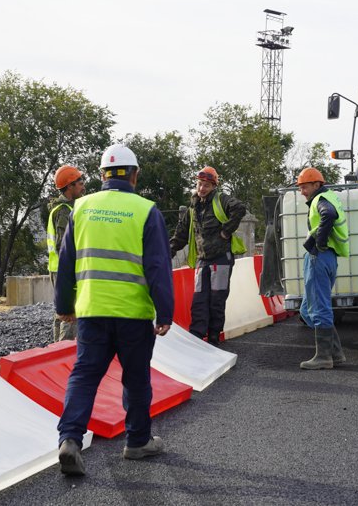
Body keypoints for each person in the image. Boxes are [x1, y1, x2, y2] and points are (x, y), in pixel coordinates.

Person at [53, 144, 174, 476]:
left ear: (102, 175)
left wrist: (63, 305)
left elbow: (66, 264)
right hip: (133, 314)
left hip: (92, 311)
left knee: (84, 375)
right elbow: (158, 267)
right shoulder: (146, 210)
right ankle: (137, 442)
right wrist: (165, 313)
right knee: (135, 378)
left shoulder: (82, 208)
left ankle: (70, 440)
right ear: (134, 175)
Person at [169, 166, 246, 347]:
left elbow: (240, 208)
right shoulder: (192, 209)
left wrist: (226, 232)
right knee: (199, 300)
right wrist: (167, 254)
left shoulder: (221, 200)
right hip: (203, 260)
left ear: (213, 187)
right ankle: (197, 337)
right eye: (200, 184)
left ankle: (213, 338)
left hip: (221, 259)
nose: (202, 188)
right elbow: (180, 236)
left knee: (216, 300)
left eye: (207, 185)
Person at [296, 167, 349, 370]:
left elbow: (329, 215)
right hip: (327, 258)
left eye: (305, 187)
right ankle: (335, 353)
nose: (302, 192)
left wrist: (320, 242)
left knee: (319, 307)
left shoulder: (322, 201)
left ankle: (324, 357)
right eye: (300, 188)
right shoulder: (328, 197)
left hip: (320, 257)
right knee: (308, 309)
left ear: (317, 185)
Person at [47, 165, 85, 341]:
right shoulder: (64, 211)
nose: (83, 185)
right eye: (80, 182)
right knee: (70, 313)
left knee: (61, 312)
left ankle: (57, 350)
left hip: (60, 268)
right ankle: (65, 351)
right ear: (70, 186)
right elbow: (63, 246)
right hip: (64, 268)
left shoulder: (67, 207)